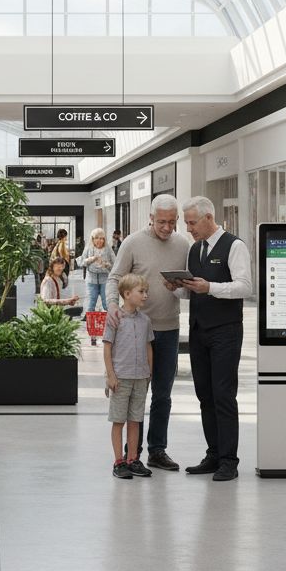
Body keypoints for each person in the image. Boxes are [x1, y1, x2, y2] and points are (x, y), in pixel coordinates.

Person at [106, 194, 192, 473]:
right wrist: (112, 305)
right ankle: (133, 454)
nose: (167, 227)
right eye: (161, 222)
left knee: (162, 394)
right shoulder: (133, 243)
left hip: (168, 329)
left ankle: (157, 450)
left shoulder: (183, 244)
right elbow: (115, 277)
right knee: (136, 393)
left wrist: (182, 287)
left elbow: (187, 285)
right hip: (135, 331)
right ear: (151, 218)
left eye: (172, 222)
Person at [179, 196, 253, 482]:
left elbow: (244, 287)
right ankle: (213, 454)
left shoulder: (234, 246)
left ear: (208, 218)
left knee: (223, 395)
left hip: (225, 331)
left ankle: (229, 460)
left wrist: (210, 287)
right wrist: (176, 288)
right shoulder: (195, 249)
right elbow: (193, 290)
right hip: (199, 330)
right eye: (187, 223)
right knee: (205, 395)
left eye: (192, 223)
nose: (189, 229)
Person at [104, 273, 155, 480]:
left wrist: (149, 373)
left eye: (146, 292)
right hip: (121, 378)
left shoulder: (145, 321)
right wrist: (110, 376)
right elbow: (107, 348)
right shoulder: (115, 319)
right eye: (141, 292)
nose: (145, 296)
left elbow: (148, 346)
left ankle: (133, 459)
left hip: (140, 378)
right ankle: (119, 461)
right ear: (126, 294)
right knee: (119, 420)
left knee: (135, 420)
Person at [80, 227, 114, 313]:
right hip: (91, 280)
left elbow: (115, 264)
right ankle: (89, 319)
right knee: (90, 303)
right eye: (97, 238)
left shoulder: (108, 249)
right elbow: (81, 262)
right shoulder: (88, 248)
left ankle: (111, 319)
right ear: (92, 239)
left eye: (102, 238)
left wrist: (106, 264)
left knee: (107, 303)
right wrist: (91, 259)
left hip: (105, 280)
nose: (99, 240)